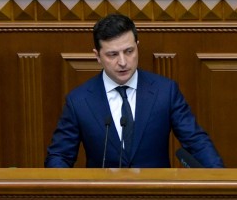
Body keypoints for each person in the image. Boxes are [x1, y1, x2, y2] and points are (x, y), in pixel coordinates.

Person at [45, 14, 224, 168]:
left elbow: (196, 142)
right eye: (112, 54)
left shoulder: (165, 91)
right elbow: (59, 156)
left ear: (138, 46)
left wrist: (221, 181)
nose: (123, 62)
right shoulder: (79, 100)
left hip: (156, 199)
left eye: (129, 51)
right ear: (97, 56)